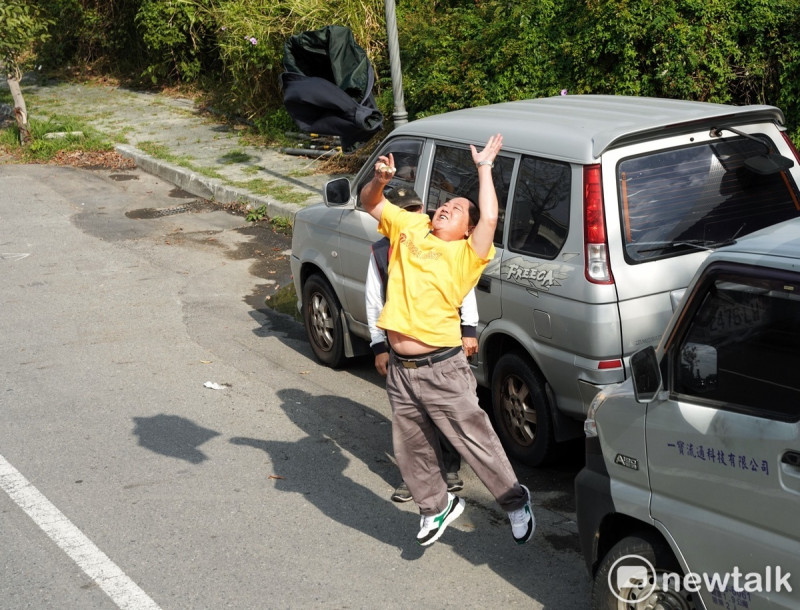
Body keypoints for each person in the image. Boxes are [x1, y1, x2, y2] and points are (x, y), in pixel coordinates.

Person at [359, 134, 535, 547]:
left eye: (456, 211)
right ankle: (436, 508)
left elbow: (489, 218)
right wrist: (379, 179)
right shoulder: (410, 225)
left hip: (442, 368)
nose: (445, 208)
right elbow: (371, 202)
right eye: (445, 204)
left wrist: (485, 169)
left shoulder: (466, 255)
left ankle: (514, 502)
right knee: (410, 448)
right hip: (402, 372)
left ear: (467, 230)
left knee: (474, 440)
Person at [365, 186, 478, 503]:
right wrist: (379, 346)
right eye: (405, 211)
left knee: (447, 410)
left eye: (417, 210)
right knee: (412, 422)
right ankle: (414, 479)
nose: (415, 217)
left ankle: (449, 468)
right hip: (404, 353)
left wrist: (469, 328)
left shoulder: (441, 244)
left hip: (443, 347)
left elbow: (464, 288)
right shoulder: (380, 252)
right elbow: (375, 302)